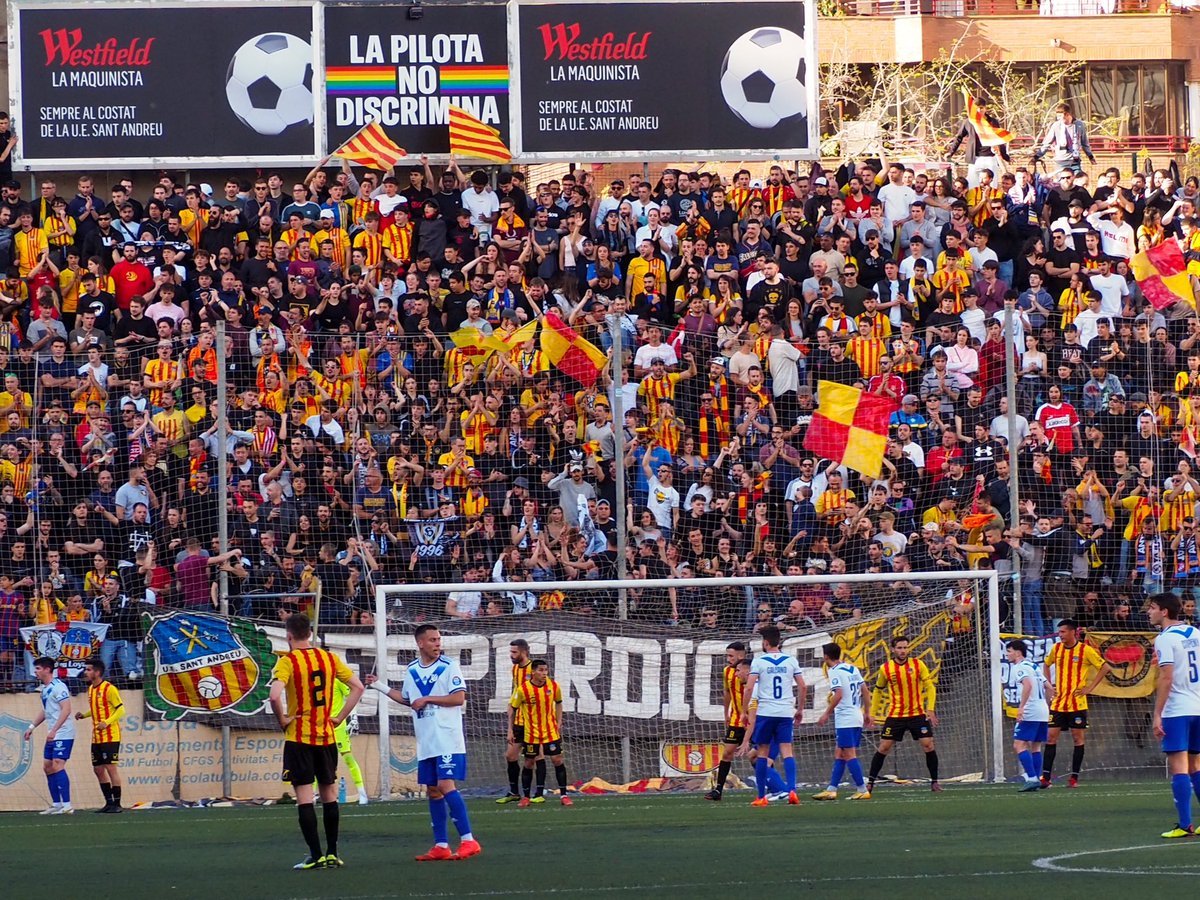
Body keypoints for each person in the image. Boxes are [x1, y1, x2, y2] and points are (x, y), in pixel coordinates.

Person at [367, 624, 481, 862]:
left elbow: (459, 698)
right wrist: (379, 685)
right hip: (427, 739)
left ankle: (469, 840)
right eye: (432, 640)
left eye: (439, 639)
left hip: (447, 738)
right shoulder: (412, 670)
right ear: (420, 643)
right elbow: (408, 699)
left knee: (445, 785)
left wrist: (428, 698)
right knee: (432, 791)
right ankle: (441, 845)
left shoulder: (449, 666)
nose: (437, 643)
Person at [269, 612, 365, 870]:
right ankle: (333, 852)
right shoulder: (329, 658)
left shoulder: (288, 661)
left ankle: (315, 855)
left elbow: (275, 696)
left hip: (299, 738)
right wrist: (339, 717)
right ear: (309, 634)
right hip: (326, 737)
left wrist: (283, 720)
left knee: (304, 797)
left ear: (289, 636)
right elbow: (359, 687)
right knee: (329, 794)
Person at [1147, 592, 1200, 838]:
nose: (1149, 612)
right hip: (1198, 707)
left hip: (1178, 709)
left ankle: (1185, 825)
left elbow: (1166, 678)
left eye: (1152, 608)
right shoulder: (1196, 633)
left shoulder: (1164, 639)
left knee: (1179, 767)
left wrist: (1157, 714)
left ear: (1164, 611)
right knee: (1196, 766)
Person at [1040, 618, 1111, 789]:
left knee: (1077, 739)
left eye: (1063, 632)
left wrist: (1089, 688)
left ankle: (1074, 778)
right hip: (1058, 703)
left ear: (1073, 632)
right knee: (1050, 737)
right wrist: (1050, 687)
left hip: (1077, 704)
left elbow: (1106, 667)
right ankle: (1046, 778)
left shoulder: (1085, 650)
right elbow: (1046, 664)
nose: (1060, 635)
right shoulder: (1056, 649)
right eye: (1059, 632)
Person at [739, 625, 805, 806]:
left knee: (762, 753)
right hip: (785, 712)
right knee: (787, 752)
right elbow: (803, 686)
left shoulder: (759, 662)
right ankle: (792, 791)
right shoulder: (790, 661)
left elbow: (750, 687)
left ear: (766, 643)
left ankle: (761, 797)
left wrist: (744, 711)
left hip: (766, 712)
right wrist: (799, 709)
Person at [866, 636, 941, 794]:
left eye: (905, 647)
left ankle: (934, 782)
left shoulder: (918, 664)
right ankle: (870, 783)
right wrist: (872, 713)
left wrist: (930, 708)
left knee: (928, 744)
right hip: (896, 715)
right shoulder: (885, 668)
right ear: (893, 649)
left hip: (917, 714)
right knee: (884, 747)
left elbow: (930, 686)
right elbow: (878, 690)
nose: (903, 651)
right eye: (899, 648)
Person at [812, 642, 872, 801]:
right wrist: (867, 713)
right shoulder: (852, 668)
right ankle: (831, 789)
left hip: (846, 717)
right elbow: (865, 691)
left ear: (826, 657)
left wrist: (826, 713)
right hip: (856, 715)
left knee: (848, 753)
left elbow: (838, 694)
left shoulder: (834, 671)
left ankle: (862, 789)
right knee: (839, 753)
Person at [511, 658, 574, 807]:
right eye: (540, 670)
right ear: (533, 672)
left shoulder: (553, 686)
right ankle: (526, 797)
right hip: (531, 733)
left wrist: (559, 721)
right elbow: (513, 709)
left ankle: (564, 795)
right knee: (529, 762)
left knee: (557, 760)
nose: (544, 673)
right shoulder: (523, 690)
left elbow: (558, 703)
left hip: (551, 731)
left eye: (546, 670)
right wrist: (511, 729)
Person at [24, 655, 75, 814]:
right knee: (47, 767)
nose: (36, 672)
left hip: (63, 732)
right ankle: (57, 804)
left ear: (47, 669)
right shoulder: (45, 689)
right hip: (52, 732)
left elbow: (66, 709)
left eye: (38, 668)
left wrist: (54, 730)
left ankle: (67, 805)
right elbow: (46, 711)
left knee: (57, 763)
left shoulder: (59, 686)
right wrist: (32, 727)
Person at [75, 657, 125, 813]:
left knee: (111, 768)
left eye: (89, 669)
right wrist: (84, 715)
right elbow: (97, 709)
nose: (86, 672)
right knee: (98, 769)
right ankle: (108, 802)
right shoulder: (91, 689)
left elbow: (121, 710)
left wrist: (107, 722)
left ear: (97, 672)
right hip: (96, 736)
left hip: (110, 735)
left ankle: (117, 804)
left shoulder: (109, 688)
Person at [497, 638, 540, 804]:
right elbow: (516, 694)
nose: (511, 655)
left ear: (524, 652)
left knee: (533, 760)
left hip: (534, 723)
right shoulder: (515, 669)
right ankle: (514, 792)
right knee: (510, 755)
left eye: (514, 652)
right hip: (518, 722)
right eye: (510, 652)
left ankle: (534, 793)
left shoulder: (535, 669)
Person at [1007, 640, 1053, 793]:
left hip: (1030, 710)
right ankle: (1036, 778)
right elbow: (1049, 688)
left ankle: (1032, 778)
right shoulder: (1033, 666)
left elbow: (1028, 685)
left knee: (1018, 745)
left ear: (1018, 652)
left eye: (1009, 651)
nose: (1007, 654)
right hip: (1042, 710)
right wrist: (1045, 705)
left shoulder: (1019, 668)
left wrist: (1021, 708)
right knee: (1036, 746)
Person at [707, 641, 748, 802]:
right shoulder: (727, 671)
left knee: (758, 754)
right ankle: (718, 790)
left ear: (741, 655)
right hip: (736, 720)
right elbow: (727, 692)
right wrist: (726, 713)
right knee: (727, 752)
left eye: (731, 655)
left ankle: (773, 787)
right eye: (727, 655)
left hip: (752, 720)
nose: (728, 659)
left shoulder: (750, 671)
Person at [330, 674, 369, 806]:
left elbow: (351, 696)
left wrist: (353, 718)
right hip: (321, 726)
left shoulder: (337, 680)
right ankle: (312, 795)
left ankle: (362, 793)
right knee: (319, 760)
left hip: (338, 726)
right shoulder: (316, 680)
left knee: (348, 758)